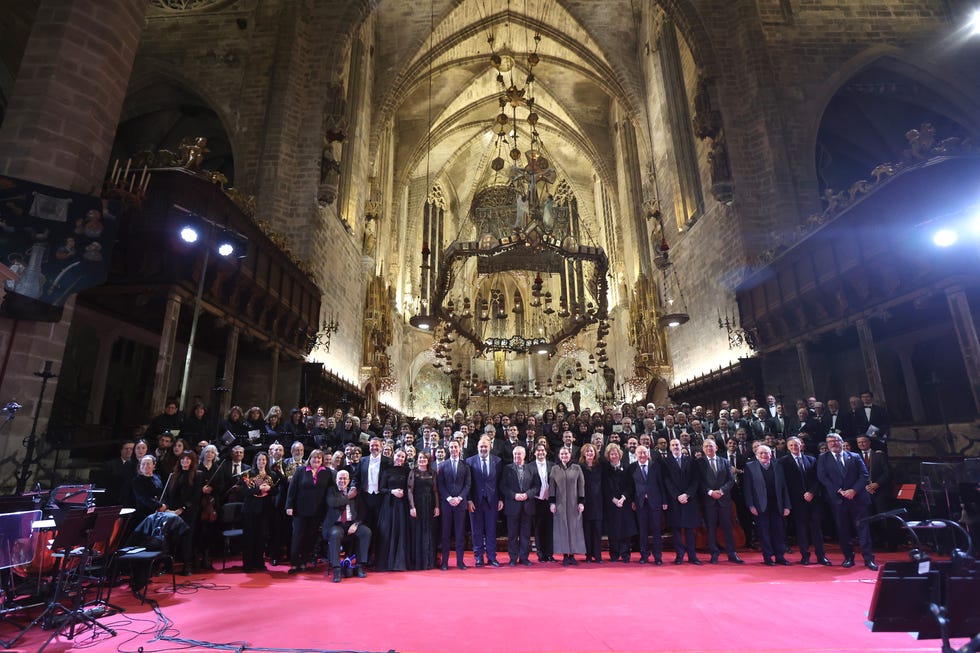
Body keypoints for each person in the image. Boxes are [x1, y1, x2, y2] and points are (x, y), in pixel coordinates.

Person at [817, 433, 878, 570]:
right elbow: (823, 477)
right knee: (843, 529)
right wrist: (839, 490)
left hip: (858, 499)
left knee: (863, 530)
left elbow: (864, 475)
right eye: (830, 442)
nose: (833, 443)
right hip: (838, 500)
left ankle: (868, 559)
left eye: (835, 441)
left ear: (841, 442)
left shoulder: (855, 456)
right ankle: (848, 557)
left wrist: (854, 491)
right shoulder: (823, 458)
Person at [778, 436, 831, 565]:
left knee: (817, 529)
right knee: (801, 530)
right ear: (788, 447)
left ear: (801, 445)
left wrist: (811, 492)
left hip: (813, 500)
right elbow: (783, 483)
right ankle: (805, 556)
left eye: (796, 445)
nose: (794, 447)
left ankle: (821, 556)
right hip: (796, 501)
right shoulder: (782, 462)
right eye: (791, 445)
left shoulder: (812, 459)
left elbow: (818, 479)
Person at [697, 439, 744, 564]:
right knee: (711, 528)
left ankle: (732, 553)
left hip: (724, 500)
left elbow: (731, 480)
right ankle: (714, 553)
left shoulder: (725, 461)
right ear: (703, 448)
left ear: (716, 448)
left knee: (728, 527)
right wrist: (710, 492)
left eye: (711, 446)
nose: (709, 448)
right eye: (706, 446)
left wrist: (722, 491)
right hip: (709, 500)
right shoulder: (699, 463)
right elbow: (698, 482)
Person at [744, 444, 791, 566]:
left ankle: (780, 556)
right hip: (760, 506)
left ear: (771, 454)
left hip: (777, 505)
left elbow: (784, 487)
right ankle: (768, 557)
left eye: (766, 453)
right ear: (756, 455)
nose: (764, 455)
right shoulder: (750, 467)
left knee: (779, 531)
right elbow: (747, 488)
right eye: (761, 453)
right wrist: (751, 505)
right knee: (764, 532)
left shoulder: (778, 466)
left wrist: (787, 505)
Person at [285, 449, 331, 574]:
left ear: (322, 461)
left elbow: (331, 491)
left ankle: (304, 562)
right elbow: (292, 489)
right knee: (297, 537)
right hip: (300, 511)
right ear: (309, 459)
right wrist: (289, 506)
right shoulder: (300, 471)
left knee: (310, 538)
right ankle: (294, 563)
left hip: (317, 512)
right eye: (314, 458)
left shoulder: (327, 473)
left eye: (319, 458)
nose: (316, 460)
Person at [351, 437, 391, 566]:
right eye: (372, 446)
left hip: (381, 499)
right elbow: (356, 478)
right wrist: (353, 486)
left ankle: (378, 557)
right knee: (366, 528)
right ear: (369, 447)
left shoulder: (387, 461)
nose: (374, 448)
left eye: (377, 446)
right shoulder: (363, 461)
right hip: (365, 499)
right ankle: (364, 557)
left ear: (381, 446)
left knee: (379, 528)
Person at [323, 470, 370, 583]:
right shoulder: (331, 490)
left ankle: (360, 566)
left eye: (345, 479)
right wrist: (348, 497)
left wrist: (356, 524)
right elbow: (333, 503)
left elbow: (363, 511)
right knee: (335, 534)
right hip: (336, 524)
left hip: (351, 524)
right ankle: (337, 569)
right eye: (340, 478)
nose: (342, 481)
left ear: (349, 481)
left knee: (366, 532)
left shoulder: (355, 492)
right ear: (336, 480)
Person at [239, 451, 281, 572]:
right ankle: (248, 565)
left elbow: (276, 491)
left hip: (265, 510)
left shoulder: (272, 474)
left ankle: (259, 563)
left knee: (262, 537)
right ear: (255, 462)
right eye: (259, 460)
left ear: (267, 461)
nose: (261, 462)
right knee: (249, 537)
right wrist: (259, 489)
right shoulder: (248, 474)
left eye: (264, 460)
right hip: (250, 510)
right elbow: (244, 492)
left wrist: (269, 489)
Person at [664, 438, 703, 565]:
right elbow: (667, 481)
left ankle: (692, 556)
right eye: (673, 445)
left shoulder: (691, 461)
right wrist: (677, 495)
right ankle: (679, 555)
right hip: (674, 500)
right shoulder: (666, 462)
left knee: (689, 529)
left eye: (677, 444)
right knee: (676, 529)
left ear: (681, 446)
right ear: (670, 448)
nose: (675, 446)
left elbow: (696, 480)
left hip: (689, 500)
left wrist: (687, 494)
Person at [466, 436, 503, 567]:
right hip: (475, 502)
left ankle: (492, 557)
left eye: (485, 446)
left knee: (491, 530)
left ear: (490, 447)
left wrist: (501, 499)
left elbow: (500, 482)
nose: (483, 448)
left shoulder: (497, 461)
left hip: (492, 502)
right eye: (481, 446)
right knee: (476, 531)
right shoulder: (469, 461)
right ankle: (478, 558)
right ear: (477, 447)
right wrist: (469, 500)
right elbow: (468, 483)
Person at [165, 451, 203, 575]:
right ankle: (168, 565)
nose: (184, 462)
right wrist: (169, 509)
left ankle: (187, 566)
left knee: (187, 539)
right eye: (182, 459)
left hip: (189, 512)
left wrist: (182, 509)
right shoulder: (174, 475)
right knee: (171, 538)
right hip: (173, 512)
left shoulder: (198, 475)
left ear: (192, 461)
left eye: (187, 460)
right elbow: (170, 495)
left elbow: (196, 496)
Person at [500, 445, 540, 566]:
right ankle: (513, 558)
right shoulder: (507, 469)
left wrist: (528, 494)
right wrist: (514, 495)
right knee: (512, 535)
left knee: (525, 535)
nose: (517, 456)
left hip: (527, 506)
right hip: (512, 506)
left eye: (519, 454)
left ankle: (524, 557)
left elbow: (537, 486)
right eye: (515, 454)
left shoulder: (532, 468)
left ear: (524, 455)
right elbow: (503, 486)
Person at [629, 444, 666, 565]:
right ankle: (644, 555)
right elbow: (631, 487)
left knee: (656, 531)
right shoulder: (632, 467)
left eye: (644, 453)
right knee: (643, 531)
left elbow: (661, 484)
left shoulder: (655, 466)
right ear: (636, 455)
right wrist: (633, 501)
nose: (642, 455)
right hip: (640, 504)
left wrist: (664, 501)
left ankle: (658, 556)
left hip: (655, 503)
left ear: (648, 454)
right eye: (640, 453)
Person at [437, 440, 471, 570]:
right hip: (447, 504)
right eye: (451, 447)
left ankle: (460, 561)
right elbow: (440, 484)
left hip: (460, 504)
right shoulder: (443, 465)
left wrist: (460, 498)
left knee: (460, 534)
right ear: (448, 449)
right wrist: (449, 498)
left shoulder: (465, 465)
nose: (453, 449)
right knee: (445, 534)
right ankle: (444, 562)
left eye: (455, 447)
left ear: (459, 448)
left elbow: (468, 485)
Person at [549, 446, 585, 565]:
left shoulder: (577, 468)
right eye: (562, 454)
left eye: (566, 454)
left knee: (574, 528)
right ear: (559, 456)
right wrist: (552, 503)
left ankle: (572, 555)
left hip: (574, 504)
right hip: (560, 504)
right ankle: (564, 554)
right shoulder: (554, 469)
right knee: (562, 528)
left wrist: (581, 502)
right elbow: (552, 488)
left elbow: (581, 486)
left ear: (570, 455)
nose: (564, 456)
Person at [376, 449, 410, 571]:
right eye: (398, 456)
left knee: (401, 531)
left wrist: (404, 493)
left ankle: (399, 562)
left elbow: (411, 488)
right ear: (393, 456)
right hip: (389, 504)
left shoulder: (407, 471)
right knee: (388, 530)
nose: (400, 458)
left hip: (402, 505)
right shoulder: (387, 470)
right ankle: (387, 562)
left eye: (402, 457)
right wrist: (392, 492)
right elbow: (381, 488)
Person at [601, 443, 636, 562]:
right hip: (611, 504)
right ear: (608, 456)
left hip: (624, 503)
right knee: (613, 530)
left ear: (619, 454)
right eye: (612, 454)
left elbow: (630, 486)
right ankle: (614, 554)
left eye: (616, 453)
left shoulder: (626, 468)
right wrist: (614, 499)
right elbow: (604, 487)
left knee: (625, 529)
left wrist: (624, 497)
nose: (614, 455)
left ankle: (625, 554)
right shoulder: (605, 470)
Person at [407, 451, 440, 570]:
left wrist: (437, 506)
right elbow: (410, 490)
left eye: (424, 458)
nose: (422, 460)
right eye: (420, 458)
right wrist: (412, 507)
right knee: (417, 532)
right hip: (417, 505)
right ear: (417, 459)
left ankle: (429, 562)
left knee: (429, 532)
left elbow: (436, 491)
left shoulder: (433, 473)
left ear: (428, 460)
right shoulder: (413, 472)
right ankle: (418, 562)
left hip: (430, 505)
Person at [578, 443, 604, 563]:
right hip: (585, 503)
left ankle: (597, 555)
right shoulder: (580, 467)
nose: (589, 453)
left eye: (592, 451)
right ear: (584, 453)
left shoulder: (600, 467)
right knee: (587, 531)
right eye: (587, 451)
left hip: (598, 502)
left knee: (597, 530)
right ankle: (588, 555)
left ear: (595, 453)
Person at [531, 443, 555, 562]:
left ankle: (549, 554)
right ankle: (541, 554)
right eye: (538, 451)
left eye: (543, 450)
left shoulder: (552, 466)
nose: (541, 453)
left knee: (549, 528)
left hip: (549, 502)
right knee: (538, 528)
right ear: (535, 453)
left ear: (546, 452)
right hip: (536, 501)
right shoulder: (530, 466)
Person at [131, 454, 166, 525]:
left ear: (154, 465)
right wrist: (159, 505)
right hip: (144, 514)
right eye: (143, 464)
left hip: (160, 512)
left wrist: (164, 505)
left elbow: (163, 493)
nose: (145, 466)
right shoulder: (137, 481)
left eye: (148, 464)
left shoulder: (157, 477)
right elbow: (144, 498)